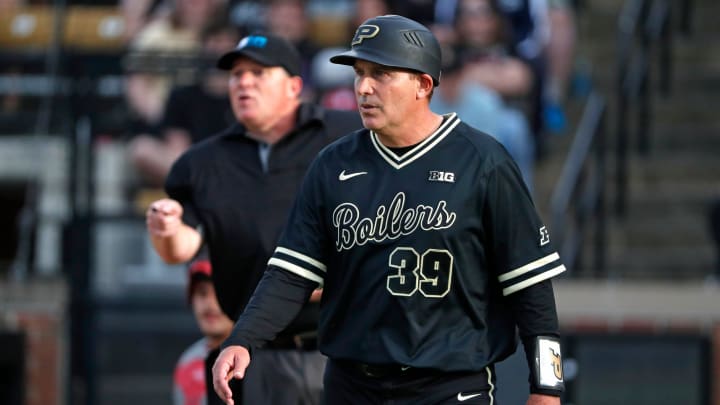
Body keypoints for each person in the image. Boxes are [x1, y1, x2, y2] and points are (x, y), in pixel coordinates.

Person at [212, 15, 566, 405]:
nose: (363, 87)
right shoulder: (333, 165)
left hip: (449, 387)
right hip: (352, 385)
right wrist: (243, 338)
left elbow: (530, 283)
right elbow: (291, 273)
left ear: (423, 84)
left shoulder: (483, 161)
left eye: (381, 73)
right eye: (359, 72)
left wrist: (547, 387)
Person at [146, 33, 363, 404]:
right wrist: (167, 229)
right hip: (255, 355)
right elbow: (183, 247)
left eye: (259, 72)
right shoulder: (202, 163)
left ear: (294, 85)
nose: (244, 81)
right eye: (237, 74)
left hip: (350, 349)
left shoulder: (349, 135)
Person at [174, 256, 235, 405]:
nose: (210, 304)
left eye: (220, 293)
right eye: (202, 293)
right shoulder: (188, 361)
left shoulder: (264, 360)